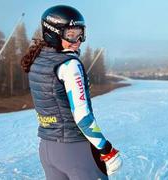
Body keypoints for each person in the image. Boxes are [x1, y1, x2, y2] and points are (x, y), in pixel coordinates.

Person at [21, 5, 122, 180]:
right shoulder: (69, 65)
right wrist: (107, 150)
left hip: (47, 148)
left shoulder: (38, 59)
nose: (78, 40)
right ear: (52, 33)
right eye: (71, 34)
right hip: (75, 151)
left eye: (80, 33)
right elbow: (83, 117)